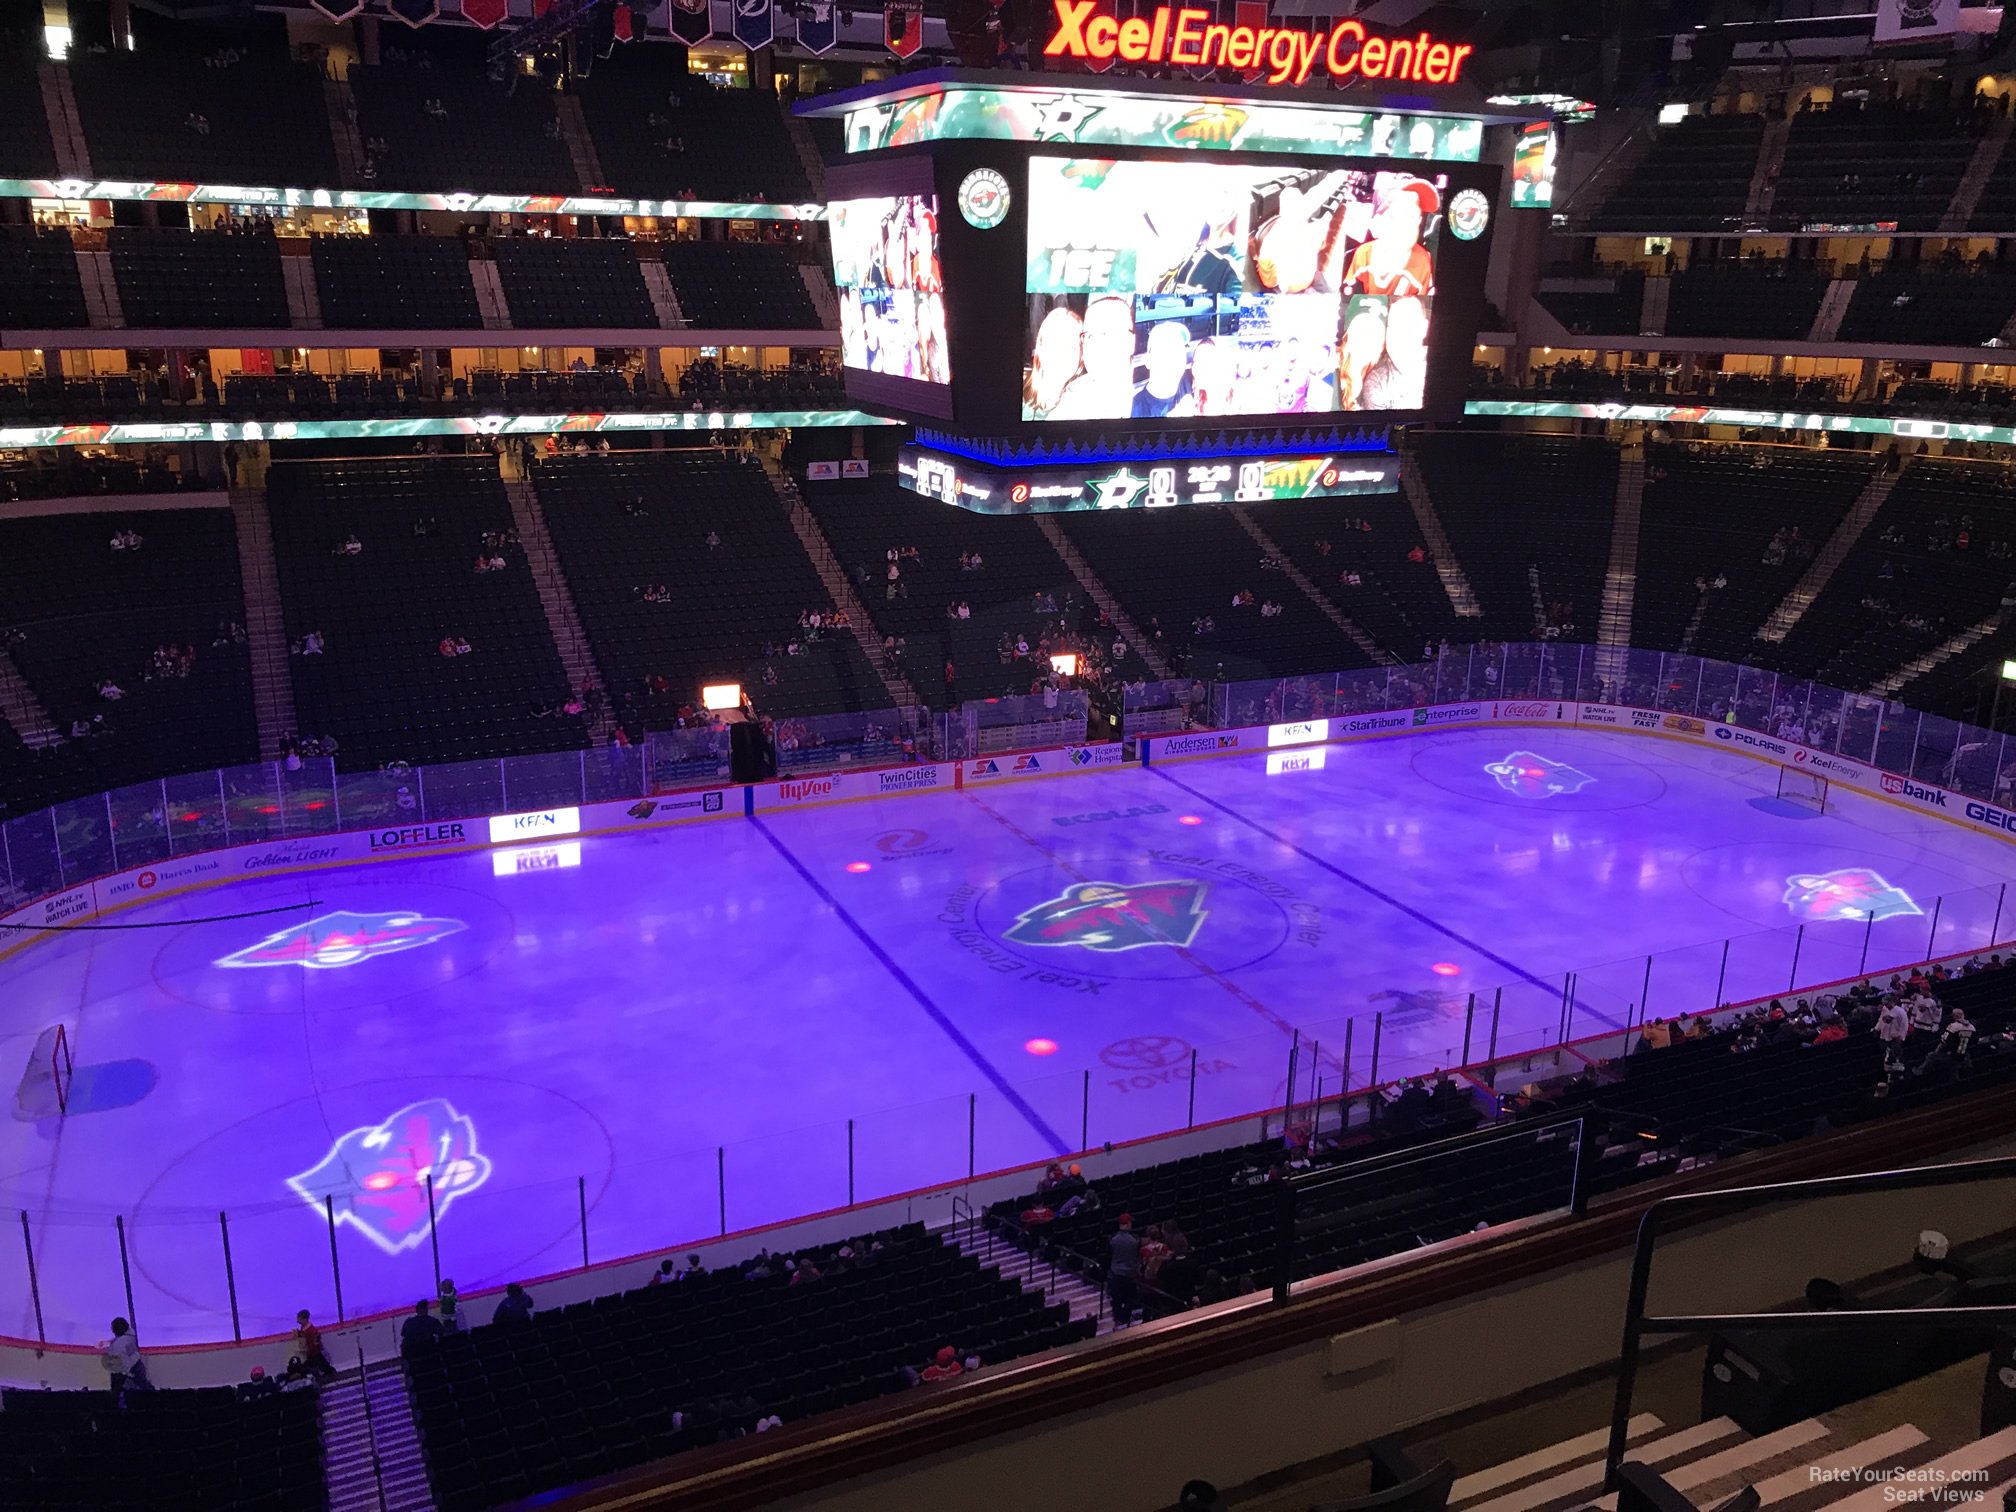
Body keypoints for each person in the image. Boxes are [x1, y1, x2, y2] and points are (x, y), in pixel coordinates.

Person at [1108, 1213, 1142, 1327]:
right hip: (1129, 1274)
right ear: (1127, 1224)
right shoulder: (1135, 1240)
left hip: (1116, 1273)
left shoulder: (1112, 1239)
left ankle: (1118, 1319)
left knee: (1116, 1298)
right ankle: (1126, 1317)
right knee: (1130, 1298)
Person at [102, 1317, 148, 1398]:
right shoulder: (129, 1337)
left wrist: (125, 1373)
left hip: (128, 1372)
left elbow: (126, 1364)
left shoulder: (119, 1346)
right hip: (133, 1368)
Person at [293, 1309, 337, 1381]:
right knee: (318, 1362)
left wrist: (311, 1348)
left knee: (319, 1362)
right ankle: (327, 1372)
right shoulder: (304, 1328)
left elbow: (315, 1339)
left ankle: (329, 1373)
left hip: (314, 1351)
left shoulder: (310, 1330)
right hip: (311, 1350)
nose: (297, 1321)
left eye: (299, 1319)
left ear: (304, 1319)